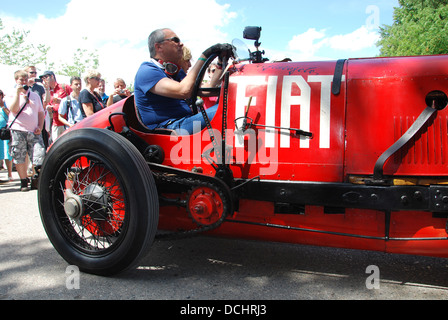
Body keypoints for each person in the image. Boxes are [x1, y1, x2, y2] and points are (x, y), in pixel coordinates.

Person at [134, 28, 232, 135]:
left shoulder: (175, 71)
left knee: (235, 104)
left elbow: (208, 89)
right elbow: (183, 91)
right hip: (168, 128)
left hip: (184, 121)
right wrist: (204, 56)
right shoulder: (147, 71)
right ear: (159, 46)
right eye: (175, 40)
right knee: (229, 108)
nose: (181, 44)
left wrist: (220, 62)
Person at [5, 70, 46, 192]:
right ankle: (23, 181)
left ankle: (35, 179)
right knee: (19, 156)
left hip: (33, 131)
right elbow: (13, 109)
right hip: (18, 129)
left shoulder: (34, 95)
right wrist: (18, 94)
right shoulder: (11, 94)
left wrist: (40, 126)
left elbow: (40, 112)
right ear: (16, 80)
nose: (24, 82)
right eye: (21, 80)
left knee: (39, 155)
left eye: (25, 79)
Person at [39, 71, 72, 142]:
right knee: (56, 144)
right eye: (43, 78)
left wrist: (62, 101)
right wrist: (48, 107)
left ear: (52, 77)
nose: (44, 80)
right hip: (55, 123)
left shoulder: (64, 87)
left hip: (67, 122)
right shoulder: (47, 91)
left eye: (46, 77)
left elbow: (74, 98)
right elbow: (46, 104)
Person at [0, 90, 13, 182]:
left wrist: (3, 106)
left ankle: (10, 174)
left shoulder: (6, 103)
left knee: (8, 153)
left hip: (5, 131)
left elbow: (11, 115)